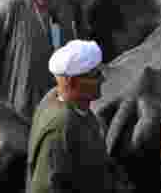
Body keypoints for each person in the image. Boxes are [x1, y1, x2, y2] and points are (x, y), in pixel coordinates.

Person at [27, 39, 112, 193]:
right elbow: (46, 188)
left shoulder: (77, 109)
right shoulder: (61, 127)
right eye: (95, 75)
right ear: (72, 82)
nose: (102, 80)